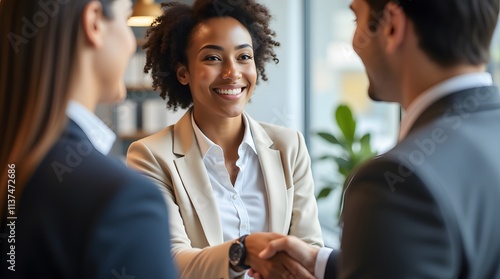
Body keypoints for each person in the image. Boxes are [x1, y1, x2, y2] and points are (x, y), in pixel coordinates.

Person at [253, 0, 500, 278]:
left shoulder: (397, 182)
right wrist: (323, 264)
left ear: (392, 26)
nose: (355, 42)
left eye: (355, 20)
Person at [125, 0, 323, 278]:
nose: (232, 73)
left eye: (244, 57)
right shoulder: (150, 155)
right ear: (184, 72)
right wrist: (241, 252)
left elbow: (309, 249)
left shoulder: (289, 146)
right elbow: (168, 259)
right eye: (213, 58)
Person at [0, 0, 177, 278]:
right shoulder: (124, 200)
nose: (132, 44)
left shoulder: (13, 171)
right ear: (94, 22)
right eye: (125, 19)